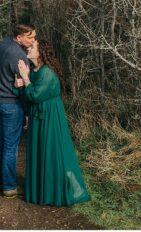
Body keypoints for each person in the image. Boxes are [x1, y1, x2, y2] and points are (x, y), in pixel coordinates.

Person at [15, 39, 91, 206]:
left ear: (40, 53)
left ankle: (64, 191)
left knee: (53, 152)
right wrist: (21, 83)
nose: (29, 48)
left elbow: (35, 95)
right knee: (40, 151)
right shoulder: (36, 70)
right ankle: (42, 190)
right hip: (38, 117)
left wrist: (25, 79)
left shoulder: (47, 73)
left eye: (32, 47)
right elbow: (29, 93)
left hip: (50, 118)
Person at [0, 23, 36, 197]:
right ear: (19, 37)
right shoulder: (18, 54)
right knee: (10, 146)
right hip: (10, 103)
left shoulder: (2, 44)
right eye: (29, 37)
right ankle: (8, 186)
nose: (33, 41)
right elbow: (24, 83)